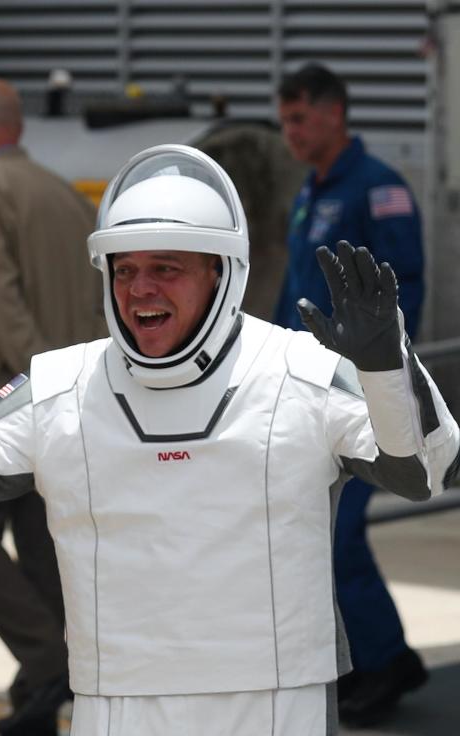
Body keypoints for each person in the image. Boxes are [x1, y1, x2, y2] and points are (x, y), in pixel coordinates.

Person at [0, 144, 458, 735]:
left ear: (220, 271)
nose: (140, 290)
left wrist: (388, 364)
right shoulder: (60, 385)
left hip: (275, 703)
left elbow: (423, 469)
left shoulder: (300, 369)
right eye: (124, 270)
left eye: (166, 268)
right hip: (117, 702)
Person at [0, 77, 106, 735]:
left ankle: (47, 662)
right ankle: (49, 679)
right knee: (41, 544)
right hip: (69, 391)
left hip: (9, 394)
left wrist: (39, 381)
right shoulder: (65, 196)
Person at [275, 62, 427, 727]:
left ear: (334, 113)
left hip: (358, 395)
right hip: (307, 392)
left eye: (299, 118)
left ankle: (384, 661)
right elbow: (292, 293)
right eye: (284, 121)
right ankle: (380, 657)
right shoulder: (311, 189)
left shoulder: (378, 188)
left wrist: (381, 381)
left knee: (336, 536)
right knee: (318, 534)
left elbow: (407, 292)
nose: (290, 133)